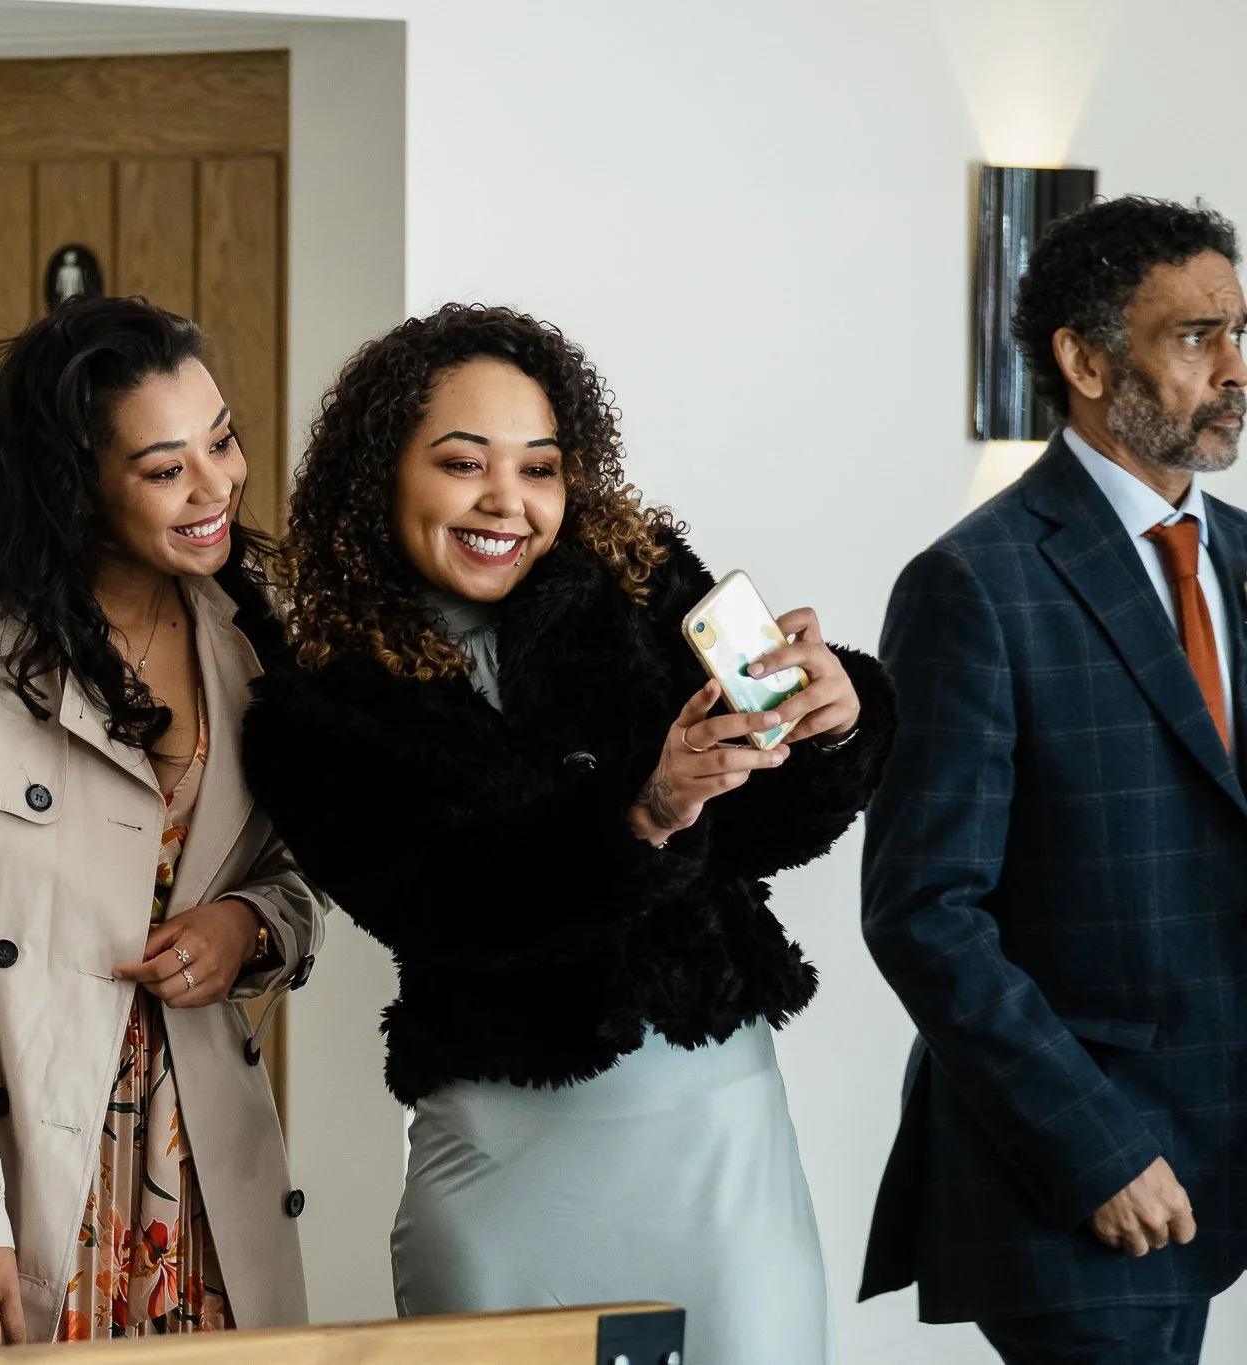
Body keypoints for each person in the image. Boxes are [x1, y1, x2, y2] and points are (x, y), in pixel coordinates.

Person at [240, 304, 895, 1364]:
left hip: (719, 1137)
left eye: (538, 468)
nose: (507, 500)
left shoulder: (646, 589)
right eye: (463, 463)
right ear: (381, 476)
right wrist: (642, 812)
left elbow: (769, 827)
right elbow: (447, 903)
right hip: (504, 1162)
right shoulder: (312, 714)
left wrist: (836, 719)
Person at [0, 297, 324, 1347]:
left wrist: (249, 926)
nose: (216, 484)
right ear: (75, 483)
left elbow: (307, 863)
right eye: (166, 468)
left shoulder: (253, 626)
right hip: (1, 1133)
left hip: (187, 1148)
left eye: (221, 441)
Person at [860, 197, 1247, 1364]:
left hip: (1216, 1152)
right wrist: (1093, 1149)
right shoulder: (970, 584)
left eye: (1237, 332)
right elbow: (924, 912)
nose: (1233, 369)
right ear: (1083, 362)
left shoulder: (1238, 554)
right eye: (1195, 337)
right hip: (1070, 1174)